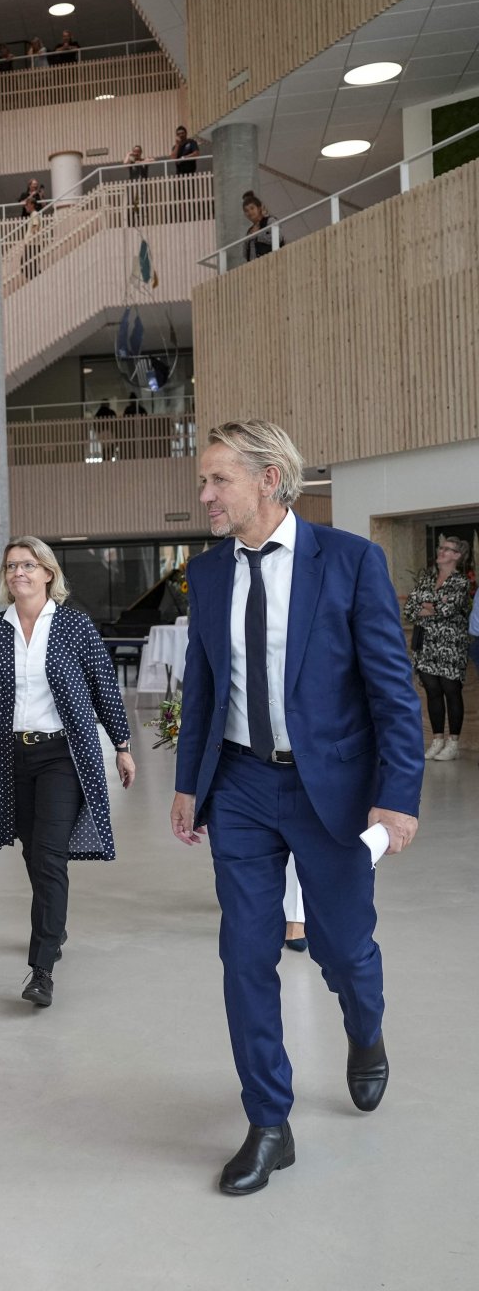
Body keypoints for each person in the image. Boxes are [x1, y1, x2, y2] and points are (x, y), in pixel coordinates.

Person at [171, 420, 423, 1197]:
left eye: (218, 481)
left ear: (269, 480)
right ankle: (269, 1122)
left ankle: (365, 1027)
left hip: (335, 793)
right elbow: (205, 687)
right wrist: (190, 781)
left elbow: (391, 690)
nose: (205, 494)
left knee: (343, 947)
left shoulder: (349, 563)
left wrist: (398, 796)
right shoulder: (209, 575)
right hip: (242, 788)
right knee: (244, 954)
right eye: (204, 481)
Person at [0, 537, 135, 1008]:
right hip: (12, 758)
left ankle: (41, 968)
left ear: (48, 573)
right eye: (11, 566)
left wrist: (123, 746)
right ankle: (56, 927)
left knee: (50, 856)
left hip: (62, 756)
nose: (19, 574)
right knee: (34, 853)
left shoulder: (73, 625)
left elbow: (103, 685)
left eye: (28, 565)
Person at [405, 536, 472, 762]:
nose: (441, 551)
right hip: (426, 645)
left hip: (451, 645)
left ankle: (453, 743)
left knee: (451, 691)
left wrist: (427, 605)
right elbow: (409, 609)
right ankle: (437, 740)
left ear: (457, 556)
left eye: (447, 549)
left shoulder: (461, 582)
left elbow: (447, 609)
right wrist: (431, 604)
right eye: (441, 548)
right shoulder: (427, 578)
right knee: (432, 691)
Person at [242, 191, 284, 261]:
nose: (250, 212)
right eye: (246, 211)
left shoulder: (270, 221)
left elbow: (278, 238)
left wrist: (257, 235)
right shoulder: (249, 231)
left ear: (259, 208)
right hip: (254, 267)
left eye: (252, 208)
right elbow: (245, 254)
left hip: (271, 261)